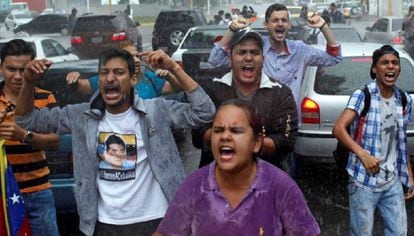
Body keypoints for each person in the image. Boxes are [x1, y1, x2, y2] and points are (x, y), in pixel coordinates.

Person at [81, 100, 364, 236]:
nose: (225, 136)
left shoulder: (280, 186)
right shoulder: (194, 186)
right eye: (218, 130)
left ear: (256, 143)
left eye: (236, 130)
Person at [15, 48, 215, 236]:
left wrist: (174, 68)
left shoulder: (156, 111)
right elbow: (27, 118)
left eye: (119, 72)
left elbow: (205, 112)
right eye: (104, 73)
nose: (110, 78)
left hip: (155, 225)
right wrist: (29, 80)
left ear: (133, 79)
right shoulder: (81, 116)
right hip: (103, 228)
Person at [332, 45, 413, 236]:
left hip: (391, 182)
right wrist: (363, 154)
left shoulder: (403, 100)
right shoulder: (363, 95)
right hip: (363, 181)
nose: (391, 67)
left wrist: (408, 175)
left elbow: (400, 142)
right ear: (375, 68)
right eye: (385, 63)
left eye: (394, 63)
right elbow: (339, 128)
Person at [0, 39, 68, 236]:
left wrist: (23, 135)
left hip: (38, 190)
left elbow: (54, 141)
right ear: (1, 68)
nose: (17, 76)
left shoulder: (44, 96)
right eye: (10, 69)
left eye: (23, 69)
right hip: (2, 195)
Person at [192, 29, 297, 175]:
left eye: (255, 53)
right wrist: (246, 140)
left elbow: (287, 141)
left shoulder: (281, 93)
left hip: (266, 180)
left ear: (263, 59)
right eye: (241, 52)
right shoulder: (212, 89)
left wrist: (240, 141)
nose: (248, 58)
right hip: (217, 180)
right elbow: (197, 135)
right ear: (230, 59)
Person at [208, 3, 341, 118]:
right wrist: (232, 29)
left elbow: (333, 58)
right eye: (275, 20)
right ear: (266, 25)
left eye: (284, 20)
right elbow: (215, 60)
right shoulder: (256, 49)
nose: (280, 24)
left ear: (289, 25)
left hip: (289, 121)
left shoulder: (300, 50)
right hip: (257, 119)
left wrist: (323, 26)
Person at [66, 41, 180, 99]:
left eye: (137, 56)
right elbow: (80, 87)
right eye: (130, 57)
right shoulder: (108, 80)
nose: (135, 60)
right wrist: (73, 77)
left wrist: (171, 71)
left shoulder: (149, 77)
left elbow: (178, 87)